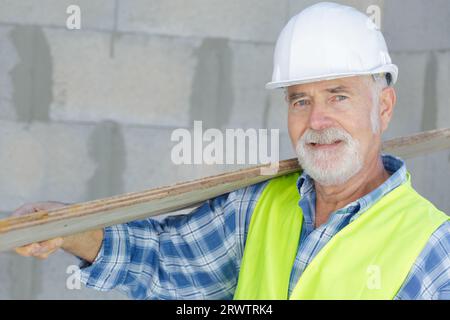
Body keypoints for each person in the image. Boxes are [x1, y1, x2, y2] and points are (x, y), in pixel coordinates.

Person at [13, 2, 450, 299]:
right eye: (301, 100)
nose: (317, 121)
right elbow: (163, 258)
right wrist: (68, 227)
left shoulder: (433, 249)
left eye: (338, 96)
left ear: (384, 107)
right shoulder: (258, 205)